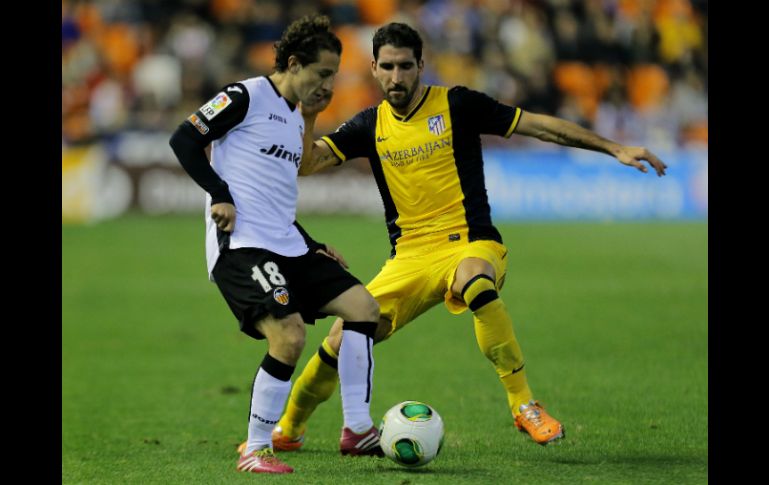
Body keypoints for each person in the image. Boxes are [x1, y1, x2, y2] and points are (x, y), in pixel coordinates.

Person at [271, 22, 668, 449]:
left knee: (475, 282)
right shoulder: (369, 124)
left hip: (470, 242)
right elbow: (307, 164)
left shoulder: (457, 104)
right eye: (387, 67)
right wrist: (308, 115)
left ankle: (523, 405)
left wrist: (614, 147)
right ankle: (289, 428)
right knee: (341, 339)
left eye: (405, 66)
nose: (396, 77)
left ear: (421, 65)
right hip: (409, 257)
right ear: (373, 68)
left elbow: (539, 126)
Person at [169, 15, 383, 475]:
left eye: (334, 75)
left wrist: (311, 243)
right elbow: (184, 138)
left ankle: (358, 430)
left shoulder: (293, 117)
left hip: (287, 242)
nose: (329, 85)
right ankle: (256, 448)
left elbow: (274, 198)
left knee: (364, 307)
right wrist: (219, 193)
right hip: (241, 245)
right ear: (294, 63)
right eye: (322, 73)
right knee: (288, 336)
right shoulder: (245, 96)